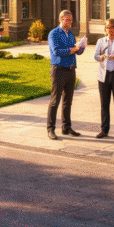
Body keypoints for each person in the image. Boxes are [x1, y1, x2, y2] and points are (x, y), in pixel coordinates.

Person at [46, 9, 85, 140]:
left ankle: (66, 127)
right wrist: (72, 49)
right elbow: (56, 51)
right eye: (67, 19)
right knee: (55, 100)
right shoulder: (54, 34)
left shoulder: (70, 34)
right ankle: (50, 129)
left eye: (71, 20)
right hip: (59, 70)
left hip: (71, 70)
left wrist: (80, 48)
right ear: (61, 19)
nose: (69, 22)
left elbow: (76, 51)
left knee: (68, 101)